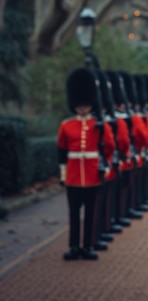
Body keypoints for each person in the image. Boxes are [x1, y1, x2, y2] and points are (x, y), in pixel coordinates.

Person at [57, 68, 115, 260]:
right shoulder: (66, 125)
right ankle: (74, 246)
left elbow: (109, 146)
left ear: (91, 104)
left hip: (92, 175)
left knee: (90, 213)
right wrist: (63, 174)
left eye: (86, 104)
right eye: (79, 105)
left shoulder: (99, 125)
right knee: (74, 214)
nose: (83, 108)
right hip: (73, 176)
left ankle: (87, 246)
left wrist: (104, 167)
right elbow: (62, 151)